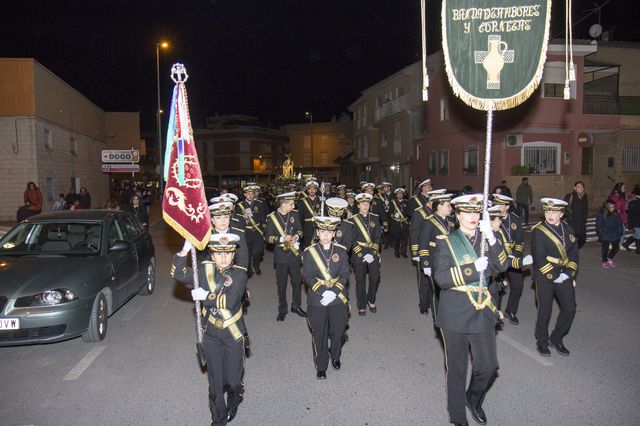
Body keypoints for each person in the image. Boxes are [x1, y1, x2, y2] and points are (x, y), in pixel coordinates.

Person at [432, 194, 508, 426]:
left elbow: (502, 265)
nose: (472, 217)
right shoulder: (446, 241)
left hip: (481, 309)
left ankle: (473, 399)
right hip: (454, 312)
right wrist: (472, 269)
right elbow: (441, 278)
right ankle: (458, 418)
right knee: (457, 369)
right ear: (458, 214)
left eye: (476, 212)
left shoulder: (487, 238)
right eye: (467, 212)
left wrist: (492, 238)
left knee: (488, 366)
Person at [171, 233, 247, 426]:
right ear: (211, 255)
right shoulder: (204, 270)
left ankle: (236, 394)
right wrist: (185, 250)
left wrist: (206, 296)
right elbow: (179, 274)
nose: (223, 257)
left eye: (228, 253)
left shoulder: (239, 274)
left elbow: (230, 302)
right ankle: (218, 419)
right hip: (211, 334)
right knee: (215, 382)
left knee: (233, 380)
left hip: (233, 334)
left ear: (233, 255)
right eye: (218, 253)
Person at [303, 216, 350, 380]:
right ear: (317, 232)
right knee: (319, 334)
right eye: (322, 231)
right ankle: (321, 365)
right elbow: (308, 276)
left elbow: (345, 274)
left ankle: (335, 356)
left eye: (329, 232)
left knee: (338, 331)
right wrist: (324, 291)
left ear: (334, 233)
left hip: (337, 298)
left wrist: (334, 291)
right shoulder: (309, 252)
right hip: (317, 299)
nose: (325, 235)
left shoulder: (341, 251)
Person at [532, 198, 578, 357]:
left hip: (564, 274)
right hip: (545, 275)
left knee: (570, 308)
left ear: (562, 214)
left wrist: (569, 273)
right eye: (547, 211)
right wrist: (554, 275)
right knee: (545, 310)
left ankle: (557, 338)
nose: (550, 214)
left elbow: (573, 254)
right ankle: (542, 341)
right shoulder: (539, 230)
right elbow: (539, 257)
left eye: (554, 212)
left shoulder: (568, 229)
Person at [265, 191, 306, 321]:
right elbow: (268, 238)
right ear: (283, 204)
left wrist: (295, 237)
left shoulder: (294, 214)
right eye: (291, 204)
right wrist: (282, 239)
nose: (293, 207)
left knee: (297, 281)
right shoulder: (272, 217)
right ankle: (282, 309)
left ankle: (296, 305)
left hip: (294, 255)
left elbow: (300, 230)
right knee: (282, 284)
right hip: (281, 256)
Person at [492, 193, 530, 325]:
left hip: (512, 257)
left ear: (507, 206)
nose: (497, 207)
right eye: (496, 204)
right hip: (497, 258)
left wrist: (516, 254)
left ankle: (511, 311)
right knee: (498, 286)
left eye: (500, 205)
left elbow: (520, 241)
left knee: (518, 285)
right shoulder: (491, 218)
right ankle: (495, 313)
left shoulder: (515, 219)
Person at [416, 193, 454, 317]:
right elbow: (423, 243)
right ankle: (426, 305)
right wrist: (425, 263)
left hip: (447, 259)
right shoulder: (429, 222)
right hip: (433, 258)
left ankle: (443, 309)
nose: (451, 208)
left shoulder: (450, 221)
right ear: (439, 206)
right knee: (429, 285)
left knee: (443, 286)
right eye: (448, 206)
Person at [348, 193, 382, 315]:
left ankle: (371, 299)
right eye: (363, 204)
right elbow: (351, 239)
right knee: (360, 280)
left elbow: (378, 236)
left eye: (367, 203)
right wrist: (361, 253)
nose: (365, 206)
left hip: (372, 251)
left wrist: (373, 251)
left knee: (375, 277)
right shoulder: (352, 220)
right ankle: (361, 305)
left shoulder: (374, 218)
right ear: (358, 205)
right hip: (358, 253)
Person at [237, 185, 267, 277]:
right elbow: (238, 220)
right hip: (246, 232)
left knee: (257, 252)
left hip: (257, 231)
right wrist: (244, 218)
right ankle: (249, 270)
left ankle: (256, 265)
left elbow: (262, 217)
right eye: (248, 194)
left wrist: (263, 229)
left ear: (254, 194)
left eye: (252, 194)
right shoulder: (240, 206)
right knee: (248, 252)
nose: (250, 196)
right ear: (245, 194)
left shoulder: (259, 203)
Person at [596, 200, 625, 268]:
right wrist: (602, 234)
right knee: (605, 249)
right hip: (605, 233)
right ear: (606, 207)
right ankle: (605, 261)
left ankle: (610, 257)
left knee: (616, 248)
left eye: (614, 207)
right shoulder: (601, 214)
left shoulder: (616, 213)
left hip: (615, 233)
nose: (613, 208)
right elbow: (599, 225)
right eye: (611, 207)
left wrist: (620, 232)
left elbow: (620, 223)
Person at [563, 181, 589, 248]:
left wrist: (585, 217)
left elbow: (586, 208)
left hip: (581, 223)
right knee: (571, 240)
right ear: (574, 188)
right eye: (579, 187)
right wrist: (569, 216)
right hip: (572, 223)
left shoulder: (584, 196)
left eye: (582, 187)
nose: (581, 188)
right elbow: (564, 208)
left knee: (582, 239)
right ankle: (570, 252)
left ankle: (574, 250)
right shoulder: (569, 196)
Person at [298, 179, 322, 249]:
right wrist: (300, 229)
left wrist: (319, 216)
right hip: (306, 227)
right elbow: (300, 216)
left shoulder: (320, 200)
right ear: (307, 190)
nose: (312, 190)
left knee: (317, 245)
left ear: (316, 190)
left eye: (313, 189)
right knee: (307, 245)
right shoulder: (303, 201)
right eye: (310, 189)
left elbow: (325, 214)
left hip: (318, 226)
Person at [389, 188, 409, 258]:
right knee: (396, 239)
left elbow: (409, 213)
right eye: (398, 194)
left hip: (404, 223)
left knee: (404, 239)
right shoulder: (392, 202)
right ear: (396, 195)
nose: (400, 195)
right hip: (396, 223)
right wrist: (393, 215)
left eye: (401, 194)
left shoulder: (407, 202)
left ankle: (403, 252)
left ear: (403, 195)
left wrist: (408, 220)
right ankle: (396, 252)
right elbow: (389, 212)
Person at [623, 184, 640, 253]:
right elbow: (633, 213)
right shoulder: (634, 203)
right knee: (638, 235)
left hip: (635, 222)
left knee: (637, 235)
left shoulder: (633, 203)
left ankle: (626, 244)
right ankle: (638, 250)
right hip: (636, 222)